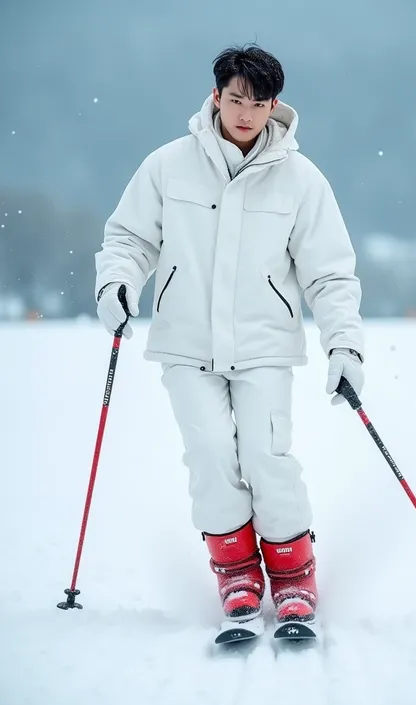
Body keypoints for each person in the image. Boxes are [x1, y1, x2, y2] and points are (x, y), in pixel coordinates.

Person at [95, 44, 364, 629]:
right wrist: (116, 283)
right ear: (216, 96)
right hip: (185, 343)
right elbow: (129, 240)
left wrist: (344, 345)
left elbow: (329, 273)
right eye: (236, 99)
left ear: (275, 106)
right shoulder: (168, 165)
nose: (245, 113)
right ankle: (237, 572)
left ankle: (293, 576)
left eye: (258, 102)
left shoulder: (301, 179)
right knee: (211, 454)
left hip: (264, 346)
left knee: (268, 457)